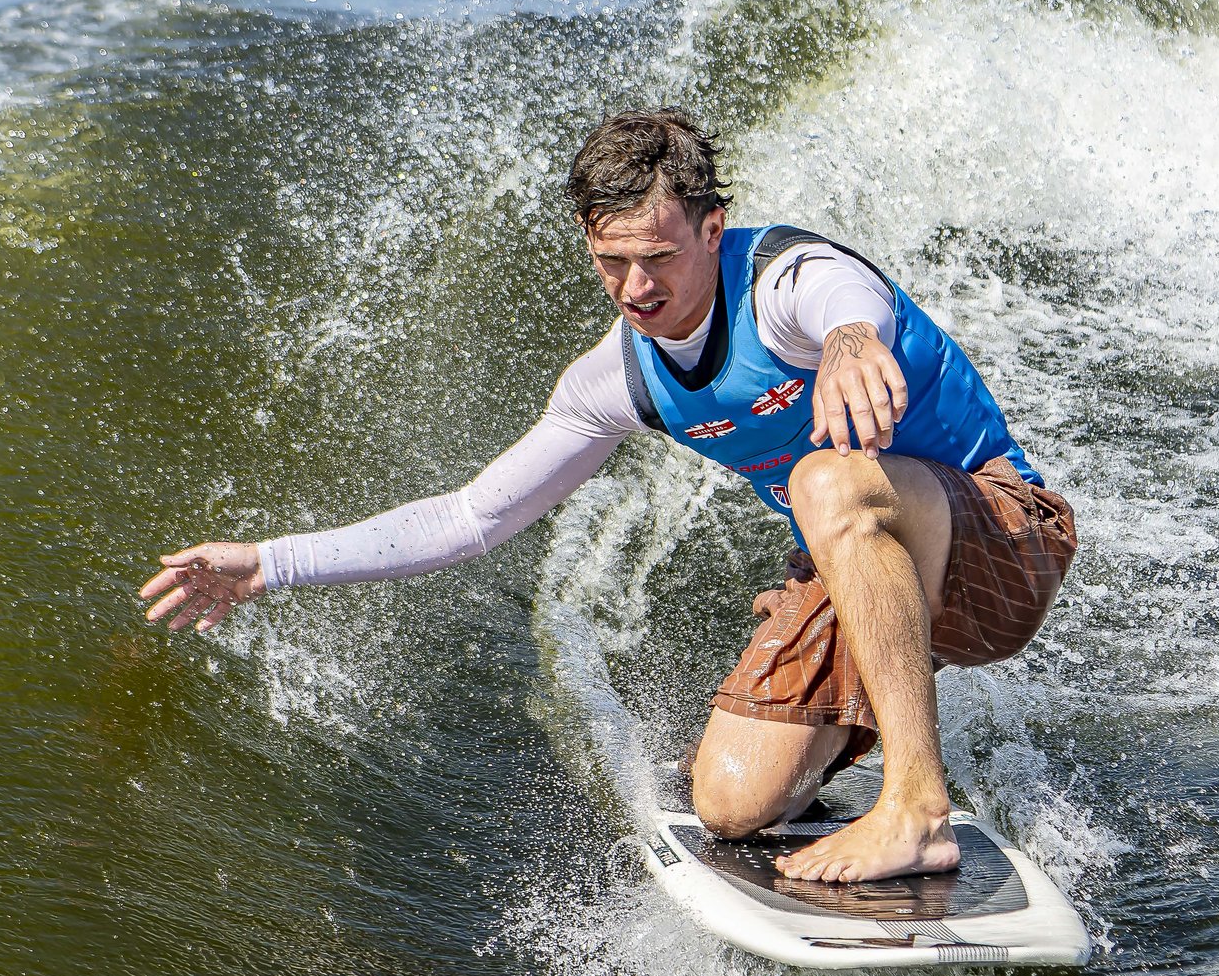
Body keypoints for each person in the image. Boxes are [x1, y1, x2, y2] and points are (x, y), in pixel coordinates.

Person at [139, 109, 1077, 884]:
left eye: (659, 256)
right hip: (864, 569)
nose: (636, 287)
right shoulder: (618, 378)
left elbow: (845, 293)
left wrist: (849, 343)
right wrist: (270, 563)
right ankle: (849, 741)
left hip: (1002, 541)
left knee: (820, 477)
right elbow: (472, 517)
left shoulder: (784, 283)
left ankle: (916, 806)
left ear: (713, 229)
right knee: (731, 803)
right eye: (610, 261)